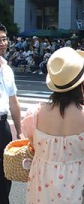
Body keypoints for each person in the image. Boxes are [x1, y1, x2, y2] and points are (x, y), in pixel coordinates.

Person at [21, 47, 84, 203]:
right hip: (81, 187)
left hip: (42, 187)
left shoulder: (34, 114)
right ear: (82, 82)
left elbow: (31, 143)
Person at [0, 24, 22, 204]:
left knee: (5, 172)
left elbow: (13, 102)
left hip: (2, 126)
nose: (3, 43)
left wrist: (20, 131)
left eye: (4, 39)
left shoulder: (7, 69)